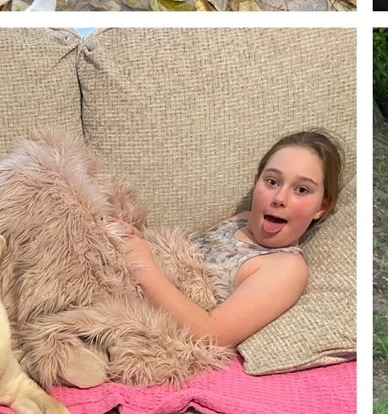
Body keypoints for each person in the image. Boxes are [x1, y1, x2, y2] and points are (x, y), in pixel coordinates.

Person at [119, 130, 341, 345]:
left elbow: (211, 334)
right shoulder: (241, 220)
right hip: (128, 281)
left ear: (322, 207)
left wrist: (142, 266)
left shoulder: (286, 267)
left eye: (302, 190)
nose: (280, 198)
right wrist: (139, 243)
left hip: (146, 320)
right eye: (272, 182)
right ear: (256, 183)